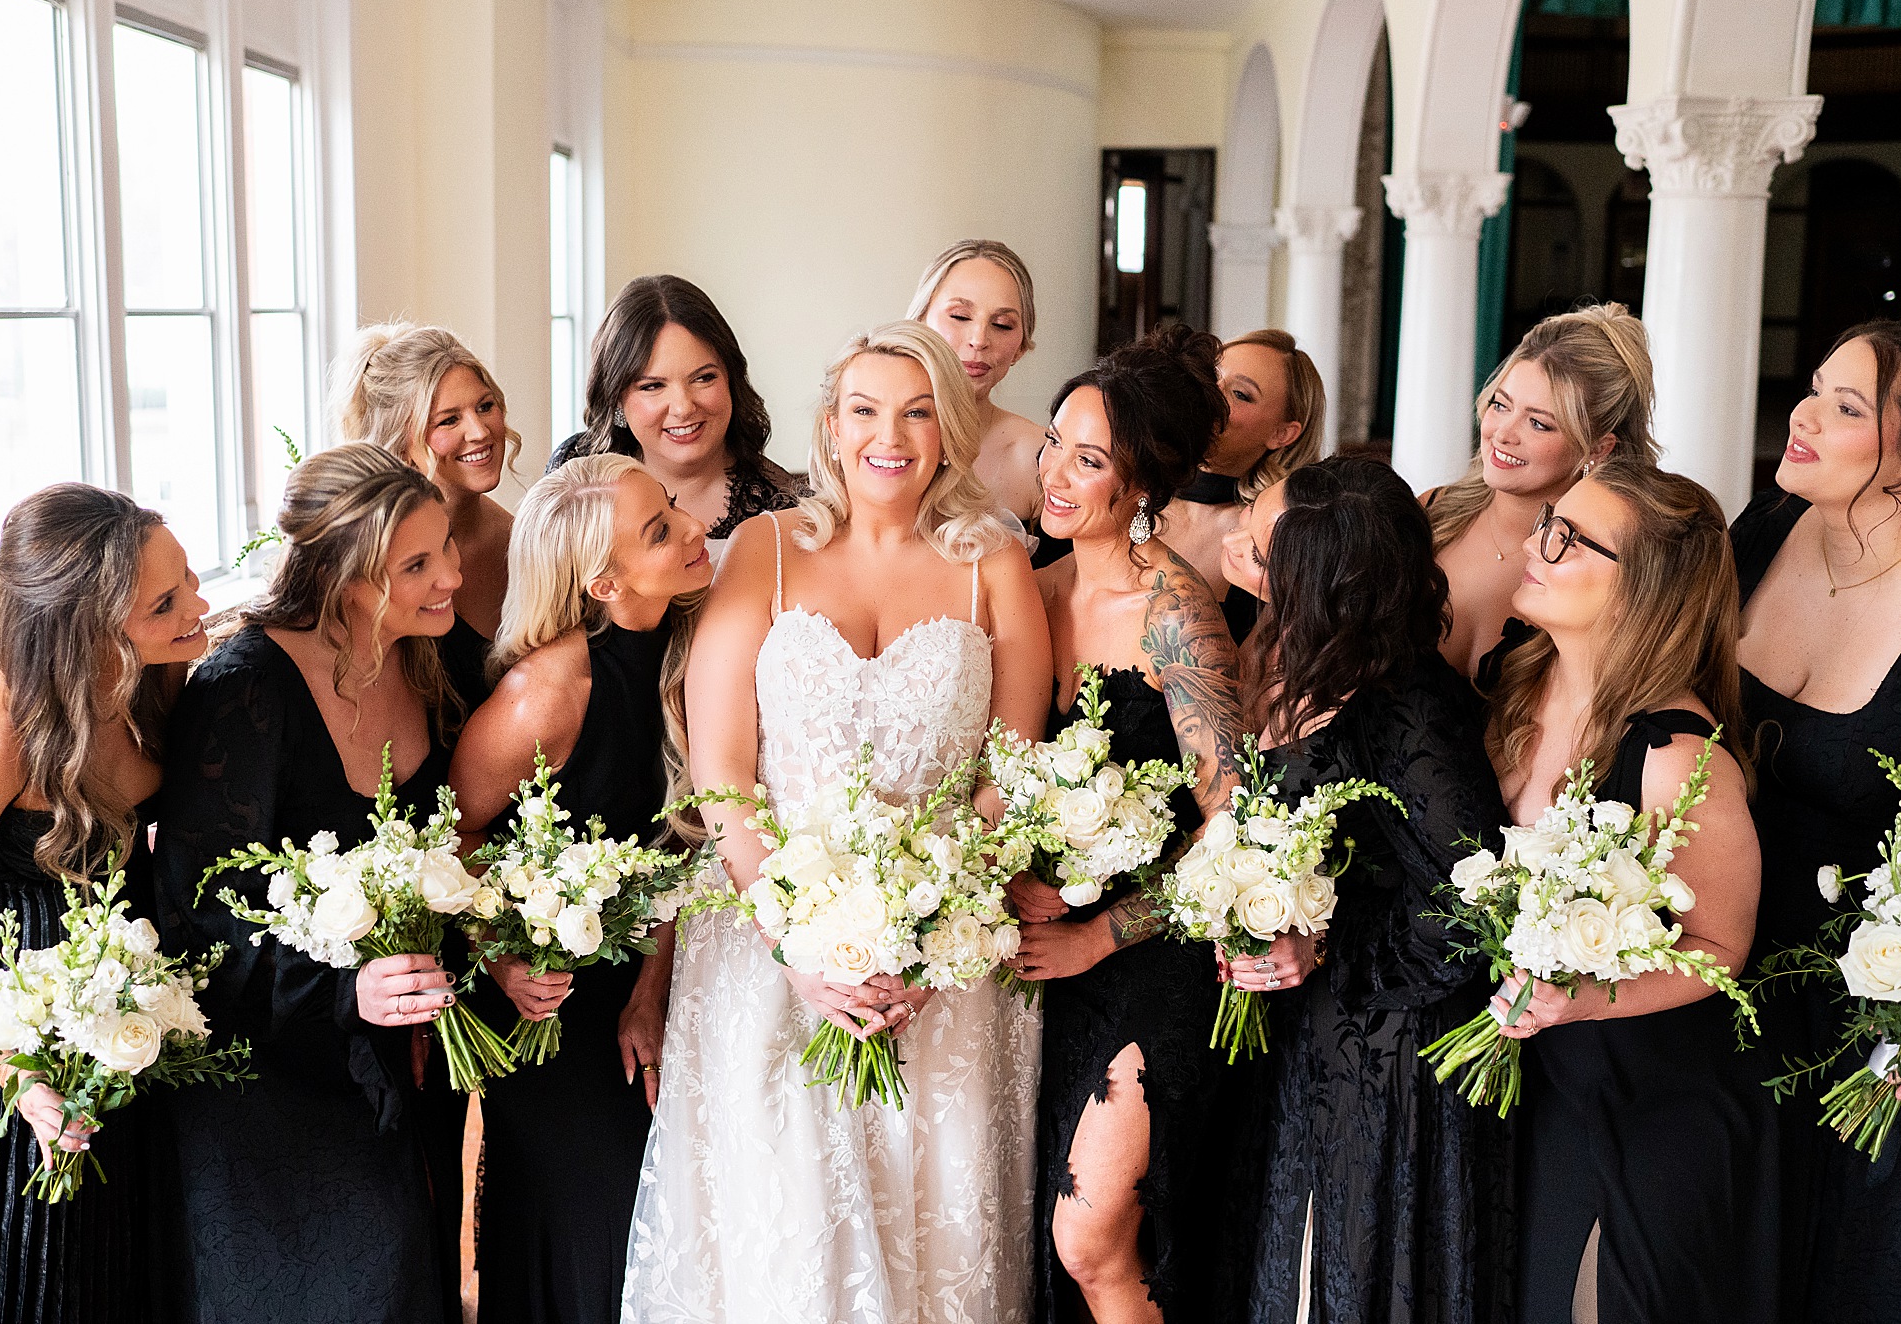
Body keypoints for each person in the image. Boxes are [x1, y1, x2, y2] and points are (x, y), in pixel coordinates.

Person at [621, 321, 1052, 1321]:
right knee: (785, 1237)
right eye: (864, 411)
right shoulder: (764, 549)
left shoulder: (995, 560)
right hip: (768, 946)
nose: (887, 437)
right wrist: (797, 942)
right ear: (831, 425)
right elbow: (722, 773)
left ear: (948, 431)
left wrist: (933, 924)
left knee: (933, 1227)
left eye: (915, 413)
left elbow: (1013, 766)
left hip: (939, 965)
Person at [153, 444, 467, 1324]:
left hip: (401, 1048)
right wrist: (344, 988)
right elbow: (197, 911)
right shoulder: (245, 688)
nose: (450, 576)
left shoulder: (426, 655)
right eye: (416, 565)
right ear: (343, 577)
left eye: (445, 546)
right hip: (272, 1070)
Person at [1212, 457, 1515, 1324]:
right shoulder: (1280, 647)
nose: (1237, 546)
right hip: (1299, 1034)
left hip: (1386, 1052)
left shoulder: (1409, 704)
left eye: (1261, 551)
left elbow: (1470, 895)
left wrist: (1325, 942)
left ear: (1316, 583)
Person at [0, 485, 207, 1324]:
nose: (197, 606)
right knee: (24, 1267)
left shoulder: (152, 681)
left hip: (116, 1024)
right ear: (87, 627)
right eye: (165, 603)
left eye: (186, 580)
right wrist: (17, 1072)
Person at [1485, 462, 1773, 1324]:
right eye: (1549, 521)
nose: (1537, 544)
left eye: (1569, 539)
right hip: (1536, 1089)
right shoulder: (1514, 683)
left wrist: (1577, 996)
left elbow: (1719, 947)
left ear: (1642, 588)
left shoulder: (1677, 756)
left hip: (1644, 1101)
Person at [1004, 324, 1244, 1322]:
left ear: (1142, 484)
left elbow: (1235, 825)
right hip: (1033, 959)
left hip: (1151, 958)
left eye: (1089, 460)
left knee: (1091, 1236)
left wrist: (1101, 934)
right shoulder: (1026, 589)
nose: (1055, 474)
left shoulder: (1176, 616)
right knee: (1056, 1247)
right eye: (1054, 443)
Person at [449, 455, 712, 1324]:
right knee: (589, 1228)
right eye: (660, 531)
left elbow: (677, 850)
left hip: (657, 968)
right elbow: (453, 842)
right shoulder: (545, 696)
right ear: (604, 583)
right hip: (548, 1001)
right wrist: (502, 962)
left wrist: (651, 991)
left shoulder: (691, 638)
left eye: (670, 507)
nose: (692, 528)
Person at [1732, 321, 1901, 1322]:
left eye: (1846, 407)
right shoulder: (1760, 531)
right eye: (1814, 390)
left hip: (1854, 1022)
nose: (1802, 416)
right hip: (1704, 964)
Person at [1423, 304, 1657, 684]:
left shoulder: (1603, 569)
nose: (1502, 434)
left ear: (1598, 448)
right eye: (1501, 405)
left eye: (1538, 423)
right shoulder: (1431, 512)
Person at [332, 321, 522, 711]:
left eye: (485, 406)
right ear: (401, 444)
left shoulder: (522, 538)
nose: (480, 431)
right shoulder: (372, 568)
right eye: (449, 420)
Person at [549, 275, 801, 561]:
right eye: (653, 386)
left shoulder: (785, 508)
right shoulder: (573, 469)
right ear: (615, 396)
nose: (683, 408)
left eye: (704, 378)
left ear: (731, 379)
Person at [1156, 329, 1325, 643]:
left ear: (1282, 434)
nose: (1209, 392)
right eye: (1211, 375)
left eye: (1240, 394)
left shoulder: (1268, 545)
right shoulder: (1128, 485)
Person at [908, 239, 1048, 528]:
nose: (979, 339)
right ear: (920, 322)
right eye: (960, 316)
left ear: (1021, 347)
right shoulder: (864, 437)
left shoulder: (1040, 458)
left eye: (1002, 325)